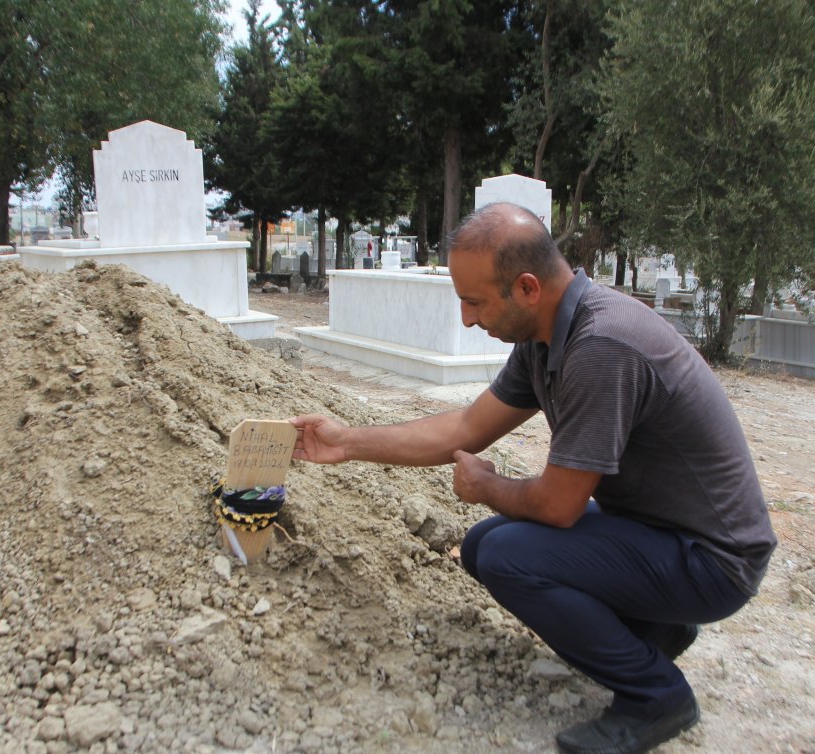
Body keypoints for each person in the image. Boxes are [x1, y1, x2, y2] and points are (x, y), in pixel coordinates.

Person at [289, 202, 776, 754]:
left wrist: (487, 487)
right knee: (484, 544)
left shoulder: (601, 346)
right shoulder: (544, 336)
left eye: (474, 302)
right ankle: (657, 633)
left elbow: (558, 507)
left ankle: (656, 696)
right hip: (659, 533)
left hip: (712, 561)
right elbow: (467, 427)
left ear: (526, 288)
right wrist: (347, 441)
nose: (469, 319)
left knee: (507, 556)